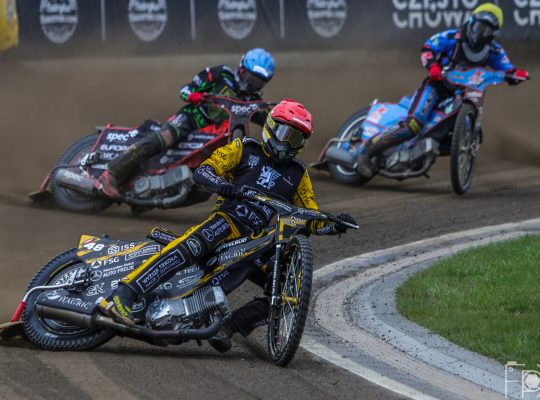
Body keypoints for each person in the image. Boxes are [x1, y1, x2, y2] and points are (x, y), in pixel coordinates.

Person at [99, 99, 357, 352]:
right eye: (286, 135)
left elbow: (309, 216)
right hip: (228, 221)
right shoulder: (245, 148)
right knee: (192, 246)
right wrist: (222, 185)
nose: (289, 144)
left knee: (283, 291)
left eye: (297, 139)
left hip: (257, 241)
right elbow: (203, 171)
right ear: (271, 127)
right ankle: (126, 293)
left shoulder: (298, 173)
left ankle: (227, 327)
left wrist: (335, 224)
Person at [355, 2, 529, 178]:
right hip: (436, 86)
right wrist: (433, 67)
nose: (480, 33)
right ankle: (366, 152)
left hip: (462, 95)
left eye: (487, 30)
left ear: (494, 33)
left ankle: (417, 154)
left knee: (451, 139)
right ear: (471, 21)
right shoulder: (452, 37)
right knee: (413, 124)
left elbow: (507, 69)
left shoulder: (494, 50)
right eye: (479, 27)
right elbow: (428, 48)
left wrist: (517, 74)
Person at [95, 48, 276, 198]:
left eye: (259, 82)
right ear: (242, 69)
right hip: (192, 118)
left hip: (215, 134)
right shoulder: (220, 74)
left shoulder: (253, 101)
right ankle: (110, 174)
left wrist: (281, 126)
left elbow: (269, 122)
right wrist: (194, 96)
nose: (252, 85)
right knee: (162, 139)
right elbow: (185, 90)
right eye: (251, 78)